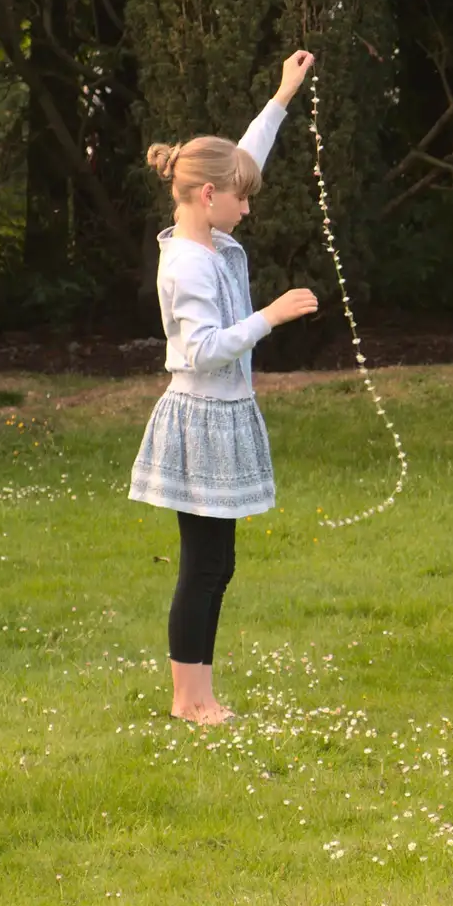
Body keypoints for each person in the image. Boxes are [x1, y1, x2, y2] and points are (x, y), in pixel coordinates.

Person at [129, 50, 319, 726]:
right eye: (242, 196)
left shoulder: (206, 233)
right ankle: (189, 699)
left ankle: (198, 692)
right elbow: (203, 350)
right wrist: (270, 316)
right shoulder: (187, 266)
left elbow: (242, 155)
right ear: (209, 196)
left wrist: (282, 97)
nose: (248, 204)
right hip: (201, 418)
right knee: (205, 564)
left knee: (219, 562)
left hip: (225, 415)